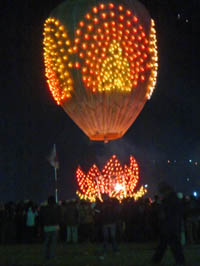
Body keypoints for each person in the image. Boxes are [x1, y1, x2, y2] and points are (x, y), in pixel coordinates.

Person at [151, 182, 185, 266]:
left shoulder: (168, 200)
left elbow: (164, 213)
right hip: (173, 224)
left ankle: (157, 259)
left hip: (169, 224)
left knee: (167, 243)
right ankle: (179, 259)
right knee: (169, 243)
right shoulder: (175, 198)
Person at [40, 195, 62, 265]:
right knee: (53, 242)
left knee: (47, 242)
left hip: (47, 227)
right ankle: (52, 255)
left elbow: (42, 217)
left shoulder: (44, 208)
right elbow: (59, 216)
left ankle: (46, 255)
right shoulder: (57, 208)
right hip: (55, 226)